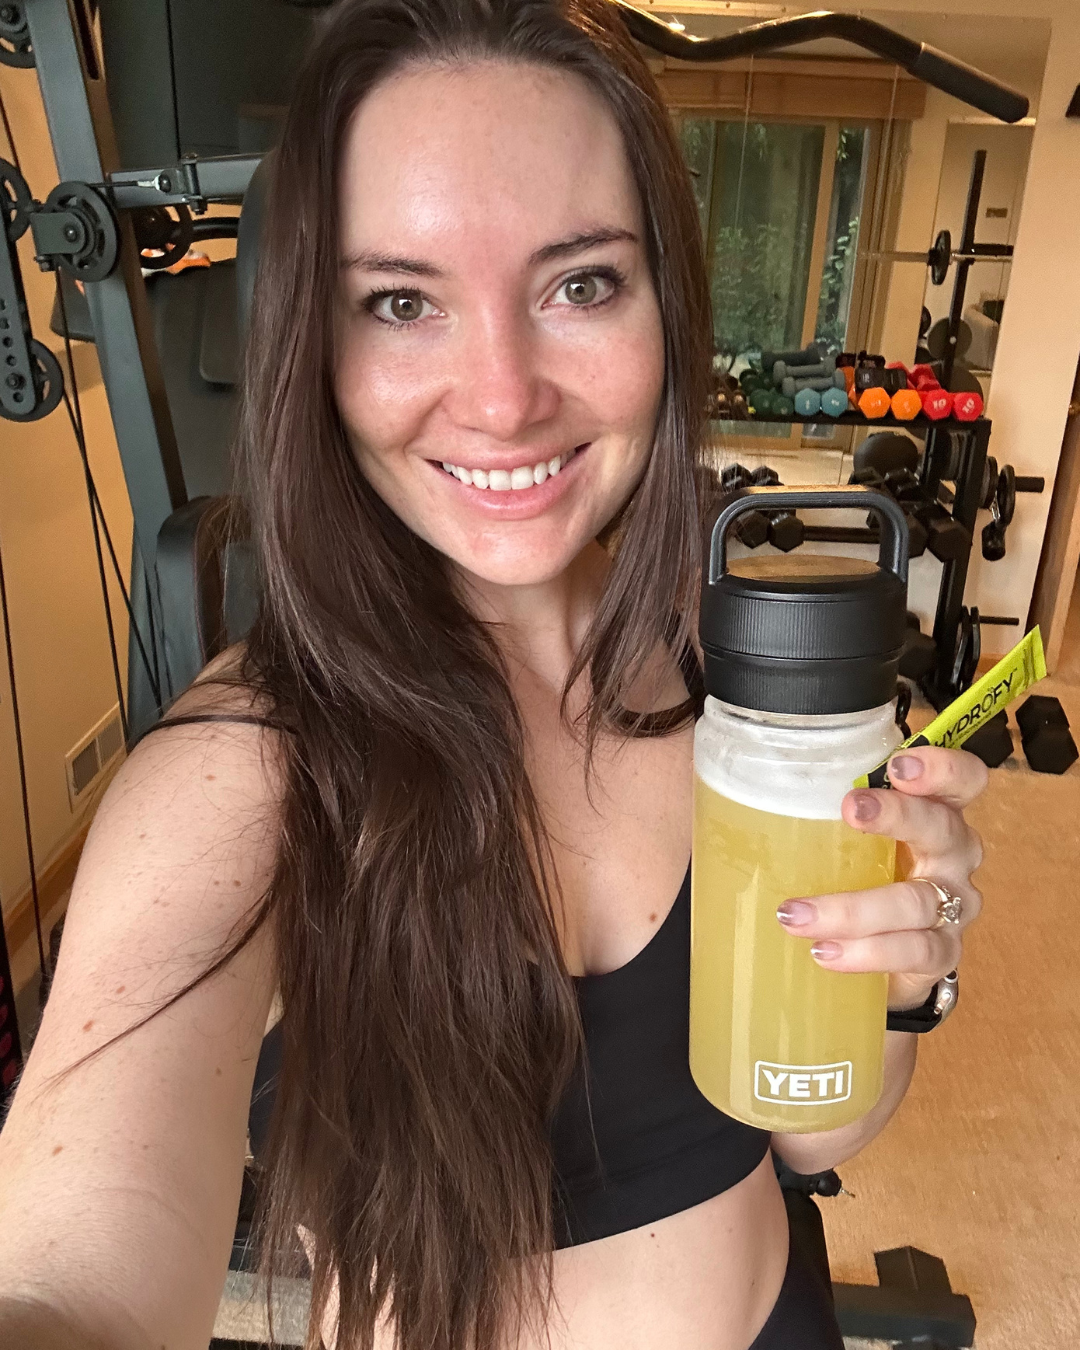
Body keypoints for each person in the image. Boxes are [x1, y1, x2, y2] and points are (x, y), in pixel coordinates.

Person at [0, 2, 988, 1348]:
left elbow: (813, 1134)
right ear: (314, 345)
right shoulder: (244, 769)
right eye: (402, 302)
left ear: (668, 305)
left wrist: (901, 980)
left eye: (580, 285)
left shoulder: (748, 678)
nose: (505, 396)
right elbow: (74, 1276)